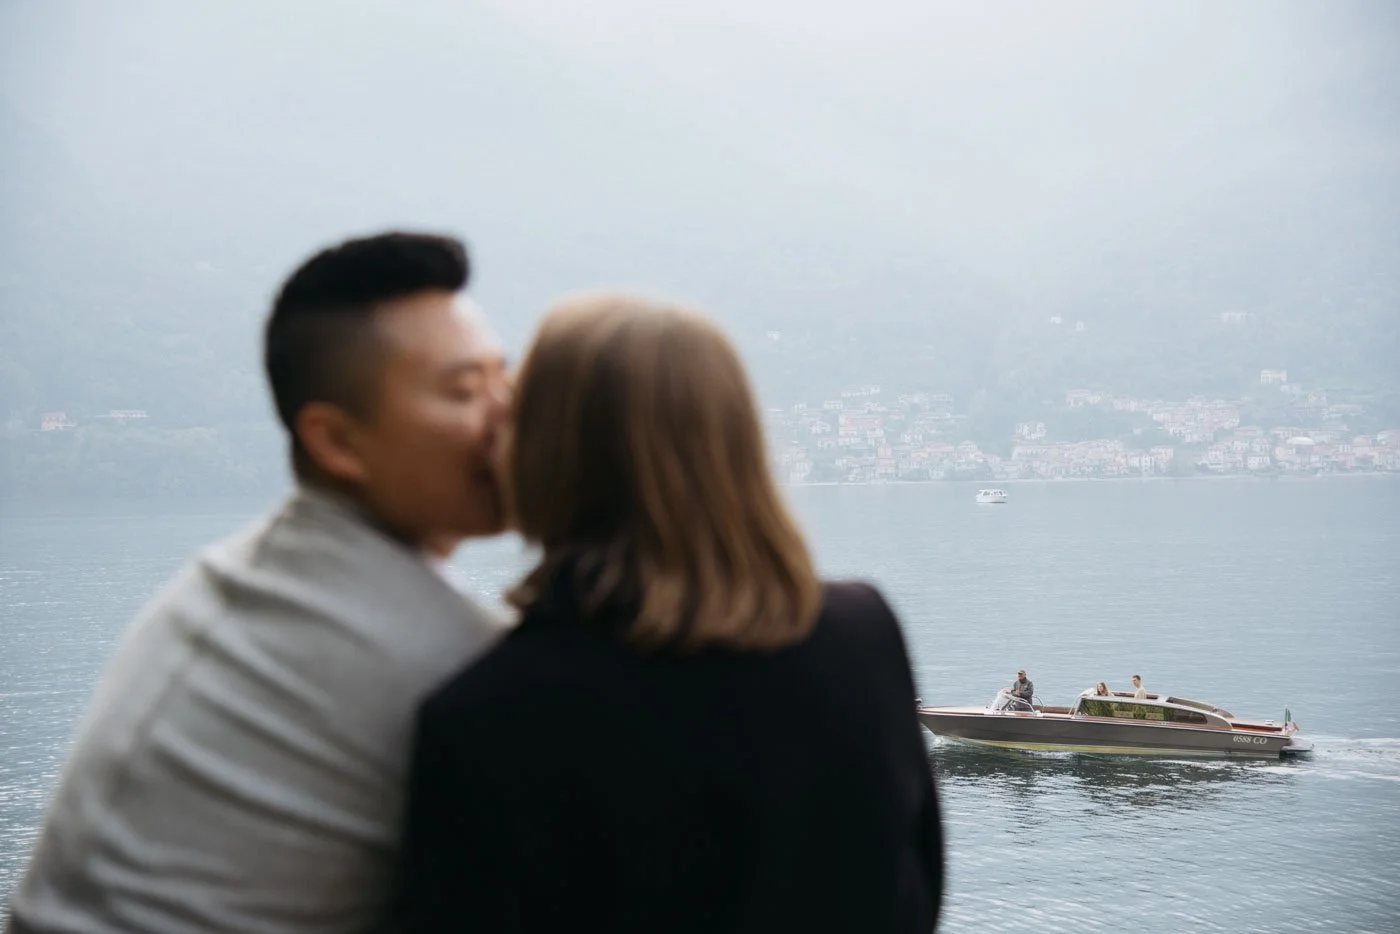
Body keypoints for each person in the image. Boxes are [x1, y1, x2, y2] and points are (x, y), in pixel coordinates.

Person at [5, 232, 513, 934]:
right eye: (465, 391)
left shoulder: (233, 581)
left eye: (502, 378)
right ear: (336, 442)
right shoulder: (448, 660)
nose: (506, 416)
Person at [400, 295, 943, 933]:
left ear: (547, 455)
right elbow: (918, 891)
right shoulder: (864, 636)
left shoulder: (484, 715)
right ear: (737, 440)